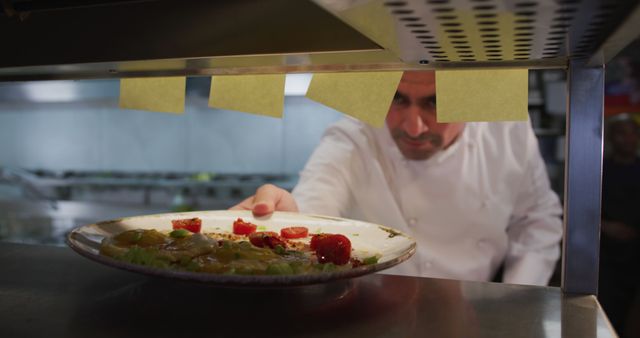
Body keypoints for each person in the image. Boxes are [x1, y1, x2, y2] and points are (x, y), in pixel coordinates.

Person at [232, 71, 563, 286]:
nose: (413, 128)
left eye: (436, 103)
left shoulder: (506, 130)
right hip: (372, 312)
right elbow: (317, 202)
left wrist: (518, 295)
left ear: (472, 100)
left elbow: (537, 221)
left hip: (474, 310)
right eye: (398, 99)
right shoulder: (355, 135)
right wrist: (291, 220)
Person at [598, 115, 640, 336]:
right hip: (605, 258)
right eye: (621, 133)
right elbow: (580, 209)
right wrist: (606, 226)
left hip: (634, 257)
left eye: (632, 133)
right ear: (611, 138)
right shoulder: (600, 170)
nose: (628, 139)